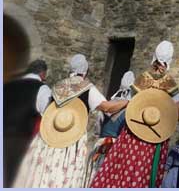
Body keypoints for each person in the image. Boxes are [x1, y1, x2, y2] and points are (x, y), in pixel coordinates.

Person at [91, 41, 179, 188]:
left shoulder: (142, 79)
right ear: (170, 60)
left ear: (154, 57)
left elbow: (126, 103)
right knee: (144, 178)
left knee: (123, 173)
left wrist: (108, 107)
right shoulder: (170, 84)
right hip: (156, 137)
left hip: (133, 134)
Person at [13, 54, 127, 188]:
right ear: (85, 72)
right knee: (64, 171)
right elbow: (107, 107)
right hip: (72, 137)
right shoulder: (87, 88)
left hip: (52, 133)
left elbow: (47, 110)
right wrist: (127, 102)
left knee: (46, 168)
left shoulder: (58, 86)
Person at [3, 59, 52, 186]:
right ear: (43, 74)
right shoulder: (42, 88)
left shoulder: (7, 85)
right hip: (22, 141)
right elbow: (48, 114)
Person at [85, 70, 135, 185]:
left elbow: (98, 128)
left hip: (101, 144)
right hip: (117, 148)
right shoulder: (131, 109)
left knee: (94, 176)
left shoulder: (109, 103)